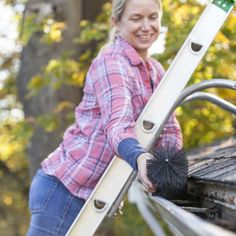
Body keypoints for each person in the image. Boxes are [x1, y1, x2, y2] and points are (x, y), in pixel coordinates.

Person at [27, 0, 183, 235]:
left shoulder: (156, 71)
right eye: (136, 18)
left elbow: (169, 130)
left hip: (94, 194)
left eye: (153, 17)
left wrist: (170, 170)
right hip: (63, 191)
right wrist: (140, 158)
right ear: (116, 23)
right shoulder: (111, 63)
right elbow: (117, 125)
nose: (146, 26)